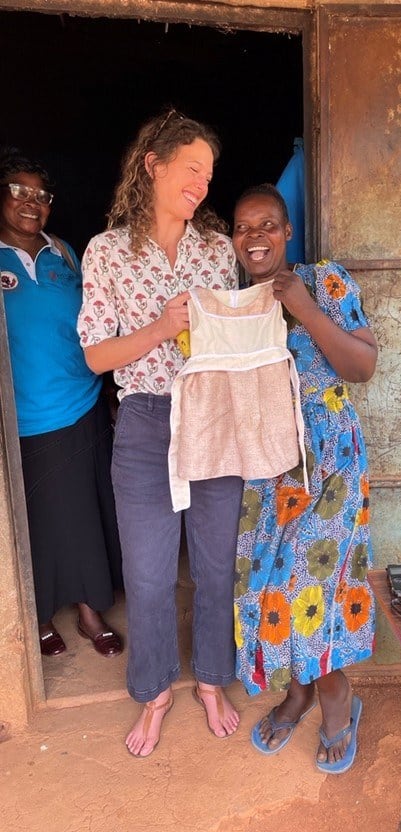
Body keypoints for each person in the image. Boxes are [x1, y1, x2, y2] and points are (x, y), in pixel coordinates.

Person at [77, 110, 243, 757]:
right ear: (153, 163)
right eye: (191, 168)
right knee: (146, 575)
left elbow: (230, 343)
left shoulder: (217, 250)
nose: (202, 184)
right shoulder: (106, 251)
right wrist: (161, 326)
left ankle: (210, 680)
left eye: (209, 174)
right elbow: (95, 356)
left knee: (214, 566)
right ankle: (155, 690)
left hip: (211, 416)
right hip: (145, 422)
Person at [232, 183, 378, 774]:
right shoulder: (236, 305)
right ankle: (299, 689)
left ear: (287, 231)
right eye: (243, 228)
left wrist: (305, 309)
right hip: (267, 469)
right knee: (268, 584)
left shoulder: (326, 281)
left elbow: (362, 365)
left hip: (332, 464)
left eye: (267, 225)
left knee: (318, 586)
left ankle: (335, 692)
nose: (256, 237)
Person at [0, 148, 123, 659]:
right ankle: (43, 612)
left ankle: (92, 609)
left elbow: (98, 324)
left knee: (90, 514)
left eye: (41, 196)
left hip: (85, 403)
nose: (32, 204)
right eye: (19, 192)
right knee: (43, 522)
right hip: (25, 417)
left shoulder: (66, 254)